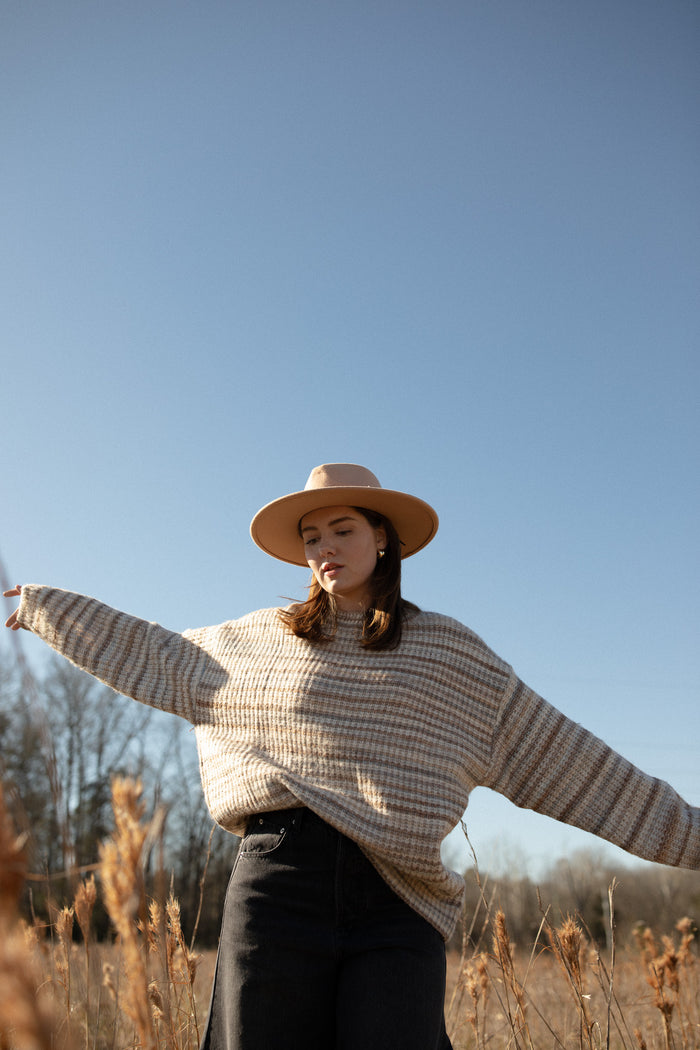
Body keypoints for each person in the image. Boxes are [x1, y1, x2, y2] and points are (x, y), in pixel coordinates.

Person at [4, 462, 699, 1050]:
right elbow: (152, 653)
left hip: (397, 900)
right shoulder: (257, 642)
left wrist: (693, 838)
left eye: (342, 530)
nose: (325, 547)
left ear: (383, 539)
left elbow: (579, 764)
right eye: (311, 537)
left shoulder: (454, 657)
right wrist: (44, 606)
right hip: (278, 883)